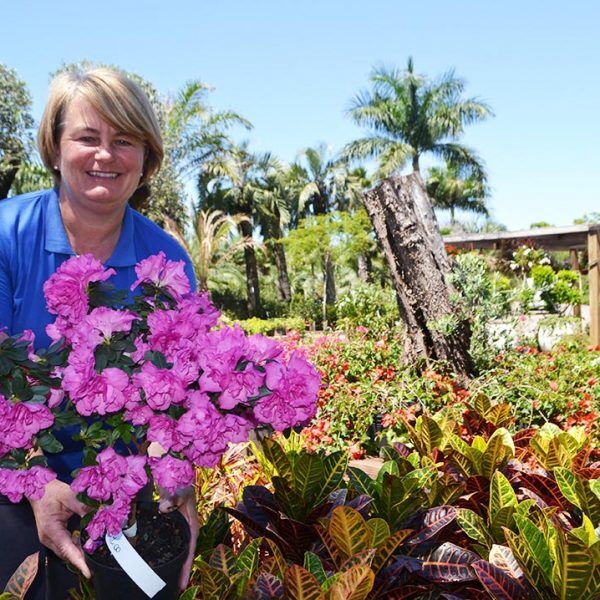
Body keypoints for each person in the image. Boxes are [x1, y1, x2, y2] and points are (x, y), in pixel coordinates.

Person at [0, 67, 199, 599]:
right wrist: (37, 484)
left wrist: (182, 480)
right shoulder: (6, 236)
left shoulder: (167, 262)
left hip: (115, 486)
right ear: (55, 146)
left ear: (145, 159)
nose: (105, 156)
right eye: (87, 137)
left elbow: (184, 389)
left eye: (124, 141)